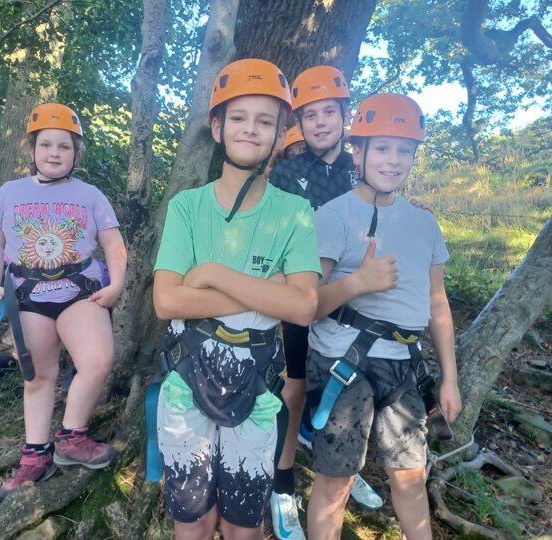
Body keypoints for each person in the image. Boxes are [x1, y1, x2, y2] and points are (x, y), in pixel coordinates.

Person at [152, 58, 320, 539]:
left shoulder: (295, 212)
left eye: (265, 121)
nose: (251, 129)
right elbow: (167, 302)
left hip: (259, 384)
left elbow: (304, 307)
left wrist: (211, 274)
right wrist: (269, 293)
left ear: (280, 133)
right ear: (217, 127)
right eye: (239, 118)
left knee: (242, 523)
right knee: (193, 518)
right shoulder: (188, 207)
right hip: (186, 379)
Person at [306, 93, 461, 540]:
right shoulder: (333, 216)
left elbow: (437, 303)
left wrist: (449, 378)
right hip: (342, 361)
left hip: (404, 367)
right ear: (358, 152)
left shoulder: (423, 223)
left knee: (411, 478)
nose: (394, 160)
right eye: (383, 148)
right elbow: (308, 305)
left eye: (404, 150)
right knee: (336, 483)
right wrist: (358, 283)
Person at [0, 102, 127, 501]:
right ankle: (35, 456)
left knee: (97, 361)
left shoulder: (90, 195)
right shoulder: (10, 192)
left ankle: (71, 436)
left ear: (76, 153)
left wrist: (116, 284)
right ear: (31, 149)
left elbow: (113, 241)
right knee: (39, 377)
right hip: (27, 295)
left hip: (80, 290)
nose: (54, 153)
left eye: (64, 146)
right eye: (46, 144)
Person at [267, 65, 381, 538]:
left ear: (344, 115)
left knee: (346, 386)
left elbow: (387, 212)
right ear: (299, 121)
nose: (319, 123)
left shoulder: (364, 169)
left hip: (355, 299)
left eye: (328, 112)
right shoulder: (287, 172)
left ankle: (339, 469)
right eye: (309, 115)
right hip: (302, 294)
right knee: (294, 389)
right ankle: (282, 484)